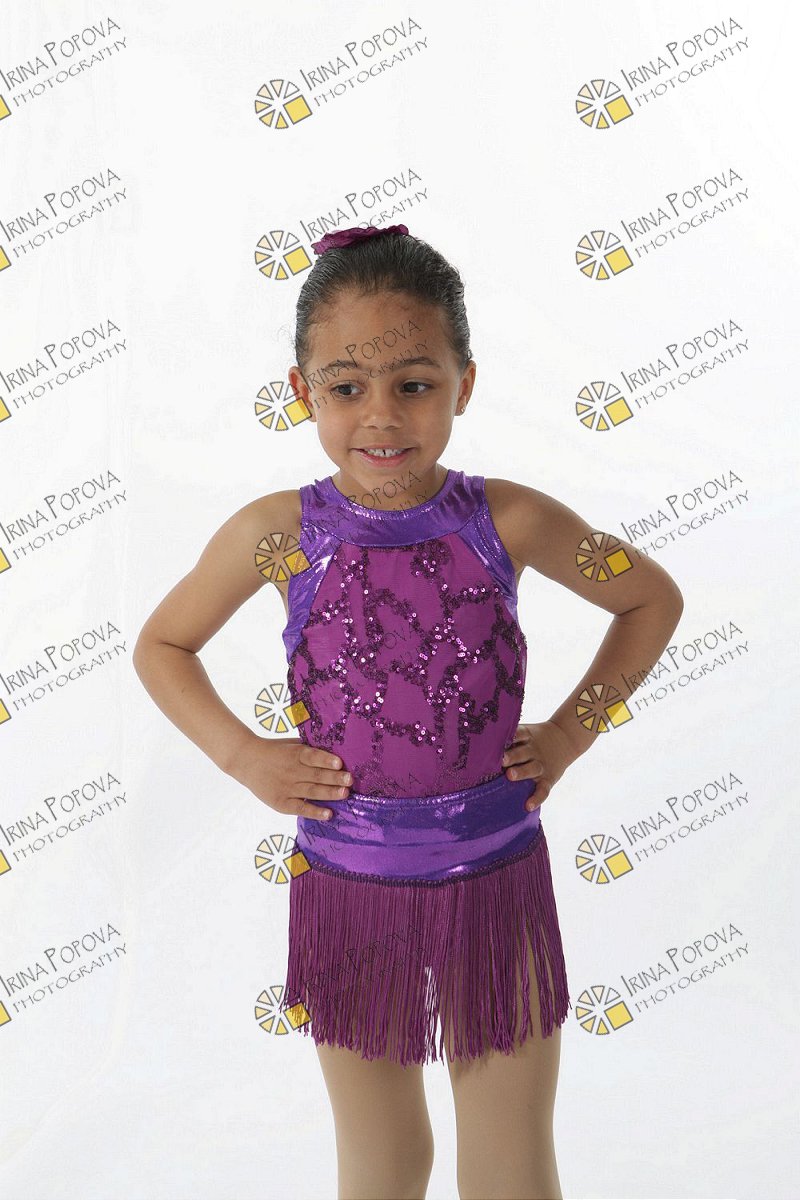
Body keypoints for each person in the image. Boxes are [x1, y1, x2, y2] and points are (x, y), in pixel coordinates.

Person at [133, 223, 684, 1200]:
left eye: (414, 383)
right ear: (301, 392)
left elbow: (649, 599)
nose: (381, 416)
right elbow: (163, 645)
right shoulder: (276, 534)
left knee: (510, 1168)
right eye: (346, 387)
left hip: (496, 883)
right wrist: (244, 757)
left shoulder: (510, 519)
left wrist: (569, 732)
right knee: (384, 1163)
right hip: (349, 889)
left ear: (464, 384)